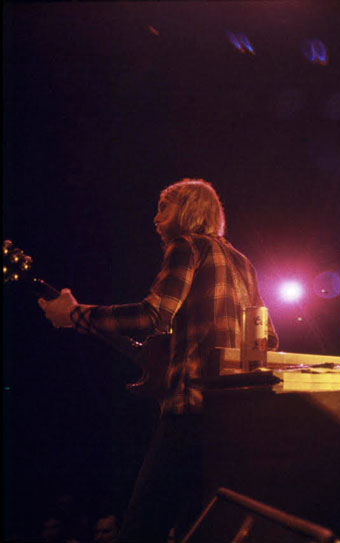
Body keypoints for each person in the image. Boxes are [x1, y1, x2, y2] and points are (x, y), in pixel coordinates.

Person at [38, 179, 279, 543]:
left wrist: (75, 314)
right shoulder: (244, 263)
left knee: (142, 527)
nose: (154, 218)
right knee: (196, 529)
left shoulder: (187, 246)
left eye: (163, 207)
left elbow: (154, 315)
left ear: (188, 209)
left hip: (189, 407)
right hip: (233, 417)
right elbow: (268, 339)